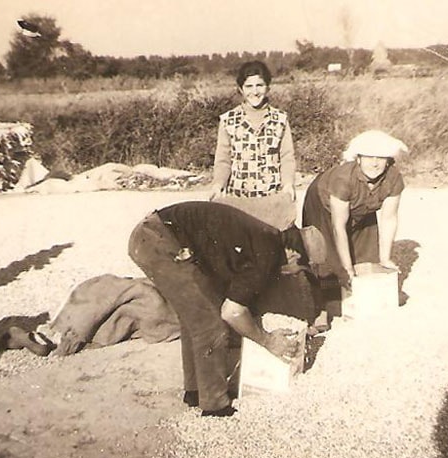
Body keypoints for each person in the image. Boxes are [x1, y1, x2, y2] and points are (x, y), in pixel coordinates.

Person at [128, 201, 326, 417]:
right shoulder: (266, 252)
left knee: (196, 315)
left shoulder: (265, 237)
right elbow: (232, 312)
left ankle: (195, 391)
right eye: (299, 269)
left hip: (155, 234)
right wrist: (267, 340)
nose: (294, 274)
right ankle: (215, 405)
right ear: (295, 255)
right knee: (210, 324)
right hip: (158, 240)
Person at [302, 130, 408, 291]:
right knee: (327, 255)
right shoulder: (343, 179)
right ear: (358, 159)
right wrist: (347, 269)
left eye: (380, 158)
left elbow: (389, 219)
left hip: (361, 206)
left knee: (366, 254)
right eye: (369, 157)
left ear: (388, 161)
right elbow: (338, 227)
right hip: (323, 203)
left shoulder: (394, 178)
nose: (374, 164)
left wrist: (385, 259)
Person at [209, 60, 297, 201]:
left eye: (259, 85)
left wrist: (288, 184)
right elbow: (223, 160)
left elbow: (287, 157)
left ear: (268, 88)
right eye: (249, 86)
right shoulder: (228, 121)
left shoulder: (280, 119)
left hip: (272, 197)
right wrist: (218, 184)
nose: (255, 92)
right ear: (241, 89)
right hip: (238, 198)